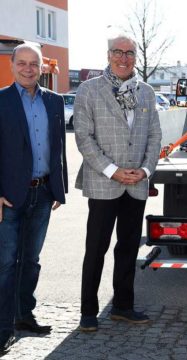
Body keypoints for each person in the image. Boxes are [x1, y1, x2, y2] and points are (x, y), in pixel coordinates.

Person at [74, 34, 161, 332]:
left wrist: (146, 170)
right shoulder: (89, 90)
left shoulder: (146, 92)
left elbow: (154, 136)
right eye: (118, 52)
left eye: (129, 53)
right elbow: (84, 138)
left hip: (136, 183)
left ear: (135, 57)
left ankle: (123, 306)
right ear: (108, 54)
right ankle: (88, 311)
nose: (124, 58)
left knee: (127, 247)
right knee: (95, 247)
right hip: (103, 182)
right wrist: (112, 170)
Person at [0, 43, 68, 354]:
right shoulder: (1, 101)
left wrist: (58, 187)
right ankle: (3, 328)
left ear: (42, 67)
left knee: (31, 261)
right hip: (9, 197)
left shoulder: (54, 101)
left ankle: (24, 316)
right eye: (22, 63)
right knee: (6, 264)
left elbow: (59, 148)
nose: (28, 69)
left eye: (34, 64)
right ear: (12, 66)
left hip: (43, 194)